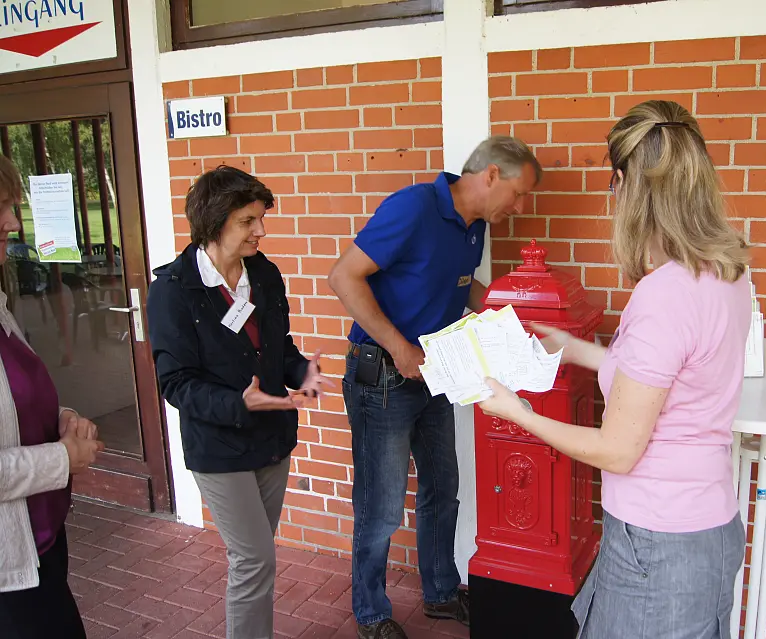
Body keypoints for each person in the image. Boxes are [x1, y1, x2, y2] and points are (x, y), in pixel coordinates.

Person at [479, 100, 751, 639]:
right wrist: (576, 349)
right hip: (708, 528)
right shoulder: (728, 272)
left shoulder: (663, 296)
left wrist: (518, 412)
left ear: (625, 184)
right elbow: (671, 379)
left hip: (656, 542)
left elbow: (618, 450)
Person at [328, 136, 542, 639]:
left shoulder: (474, 228)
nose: (521, 206)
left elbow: (460, 283)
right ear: (490, 175)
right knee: (380, 509)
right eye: (520, 192)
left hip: (435, 375)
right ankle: (372, 612)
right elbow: (343, 277)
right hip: (383, 376)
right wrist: (401, 349)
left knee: (443, 490)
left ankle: (442, 592)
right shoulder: (414, 208)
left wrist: (508, 317)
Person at [146, 166, 334, 639]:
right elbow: (176, 383)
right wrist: (240, 403)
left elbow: (281, 349)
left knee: (255, 557)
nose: (261, 230)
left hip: (271, 440)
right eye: (249, 220)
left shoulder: (264, 274)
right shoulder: (173, 289)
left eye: (261, 218)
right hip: (219, 445)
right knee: (254, 559)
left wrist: (302, 372)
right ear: (215, 222)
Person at [0, 154, 105, 638]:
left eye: (13, 204)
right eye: (1, 205)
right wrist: (63, 458)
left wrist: (62, 417)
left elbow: (17, 398)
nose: (13, 221)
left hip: (40, 540)